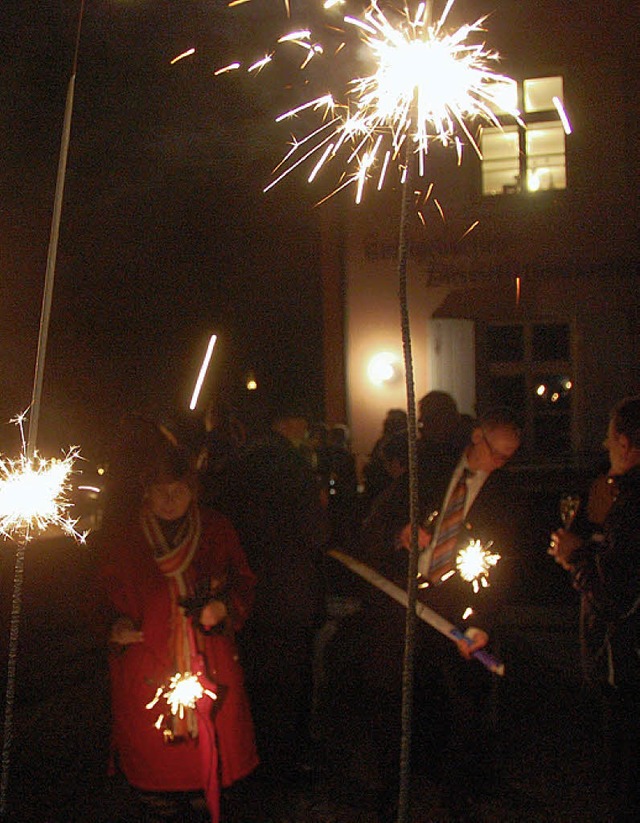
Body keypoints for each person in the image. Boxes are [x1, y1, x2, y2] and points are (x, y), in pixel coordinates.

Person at [360, 406, 523, 820]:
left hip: (453, 607)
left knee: (455, 702)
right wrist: (402, 532)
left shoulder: (503, 497)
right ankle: (390, 784)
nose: (499, 463)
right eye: (494, 452)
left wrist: (481, 622)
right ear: (476, 438)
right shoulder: (430, 471)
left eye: (507, 457)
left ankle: (452, 789)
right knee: (392, 691)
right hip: (405, 595)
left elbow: (502, 567)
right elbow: (382, 518)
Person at [95, 438, 258, 823]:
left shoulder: (216, 529)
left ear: (194, 491)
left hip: (209, 660)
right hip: (147, 666)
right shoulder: (122, 537)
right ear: (145, 492)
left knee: (211, 760)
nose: (170, 500)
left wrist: (222, 607)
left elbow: (243, 580)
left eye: (179, 491)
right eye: (160, 491)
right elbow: (96, 594)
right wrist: (112, 625)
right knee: (156, 770)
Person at [219, 405, 329, 781]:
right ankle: (290, 757)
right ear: (288, 420)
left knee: (252, 674)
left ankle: (252, 753)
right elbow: (315, 532)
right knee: (292, 677)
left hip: (248, 585)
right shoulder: (295, 465)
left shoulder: (238, 464)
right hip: (290, 587)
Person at [549, 395, 640, 821]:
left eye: (608, 437)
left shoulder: (632, 507)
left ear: (624, 443)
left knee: (624, 771)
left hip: (624, 665)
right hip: (620, 663)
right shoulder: (618, 498)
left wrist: (576, 557)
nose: (604, 447)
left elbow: (614, 593)